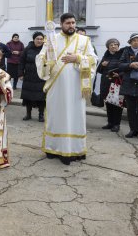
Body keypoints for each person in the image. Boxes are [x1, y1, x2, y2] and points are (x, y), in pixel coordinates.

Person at [37, 13, 97, 165]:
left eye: (73, 22)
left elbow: (93, 59)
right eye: (68, 23)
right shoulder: (51, 39)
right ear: (61, 24)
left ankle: (75, 150)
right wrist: (46, 61)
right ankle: (53, 148)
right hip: (56, 87)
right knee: (56, 115)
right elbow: (41, 57)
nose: (71, 25)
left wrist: (78, 58)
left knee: (75, 117)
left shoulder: (84, 40)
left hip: (75, 88)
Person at [98, 38, 125, 133]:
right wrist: (102, 65)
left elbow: (126, 68)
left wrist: (120, 74)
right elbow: (99, 70)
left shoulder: (123, 55)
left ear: (118, 46)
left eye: (115, 44)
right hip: (106, 83)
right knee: (108, 103)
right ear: (108, 47)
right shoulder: (106, 56)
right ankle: (110, 123)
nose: (113, 46)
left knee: (117, 104)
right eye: (111, 45)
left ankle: (116, 124)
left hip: (117, 82)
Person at [19, 32, 46, 122]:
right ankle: (28, 114)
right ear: (33, 39)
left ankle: (41, 115)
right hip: (29, 76)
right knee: (28, 96)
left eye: (41, 39)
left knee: (41, 97)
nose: (39, 41)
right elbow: (22, 61)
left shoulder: (45, 49)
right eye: (37, 39)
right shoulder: (27, 49)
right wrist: (21, 74)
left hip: (41, 77)